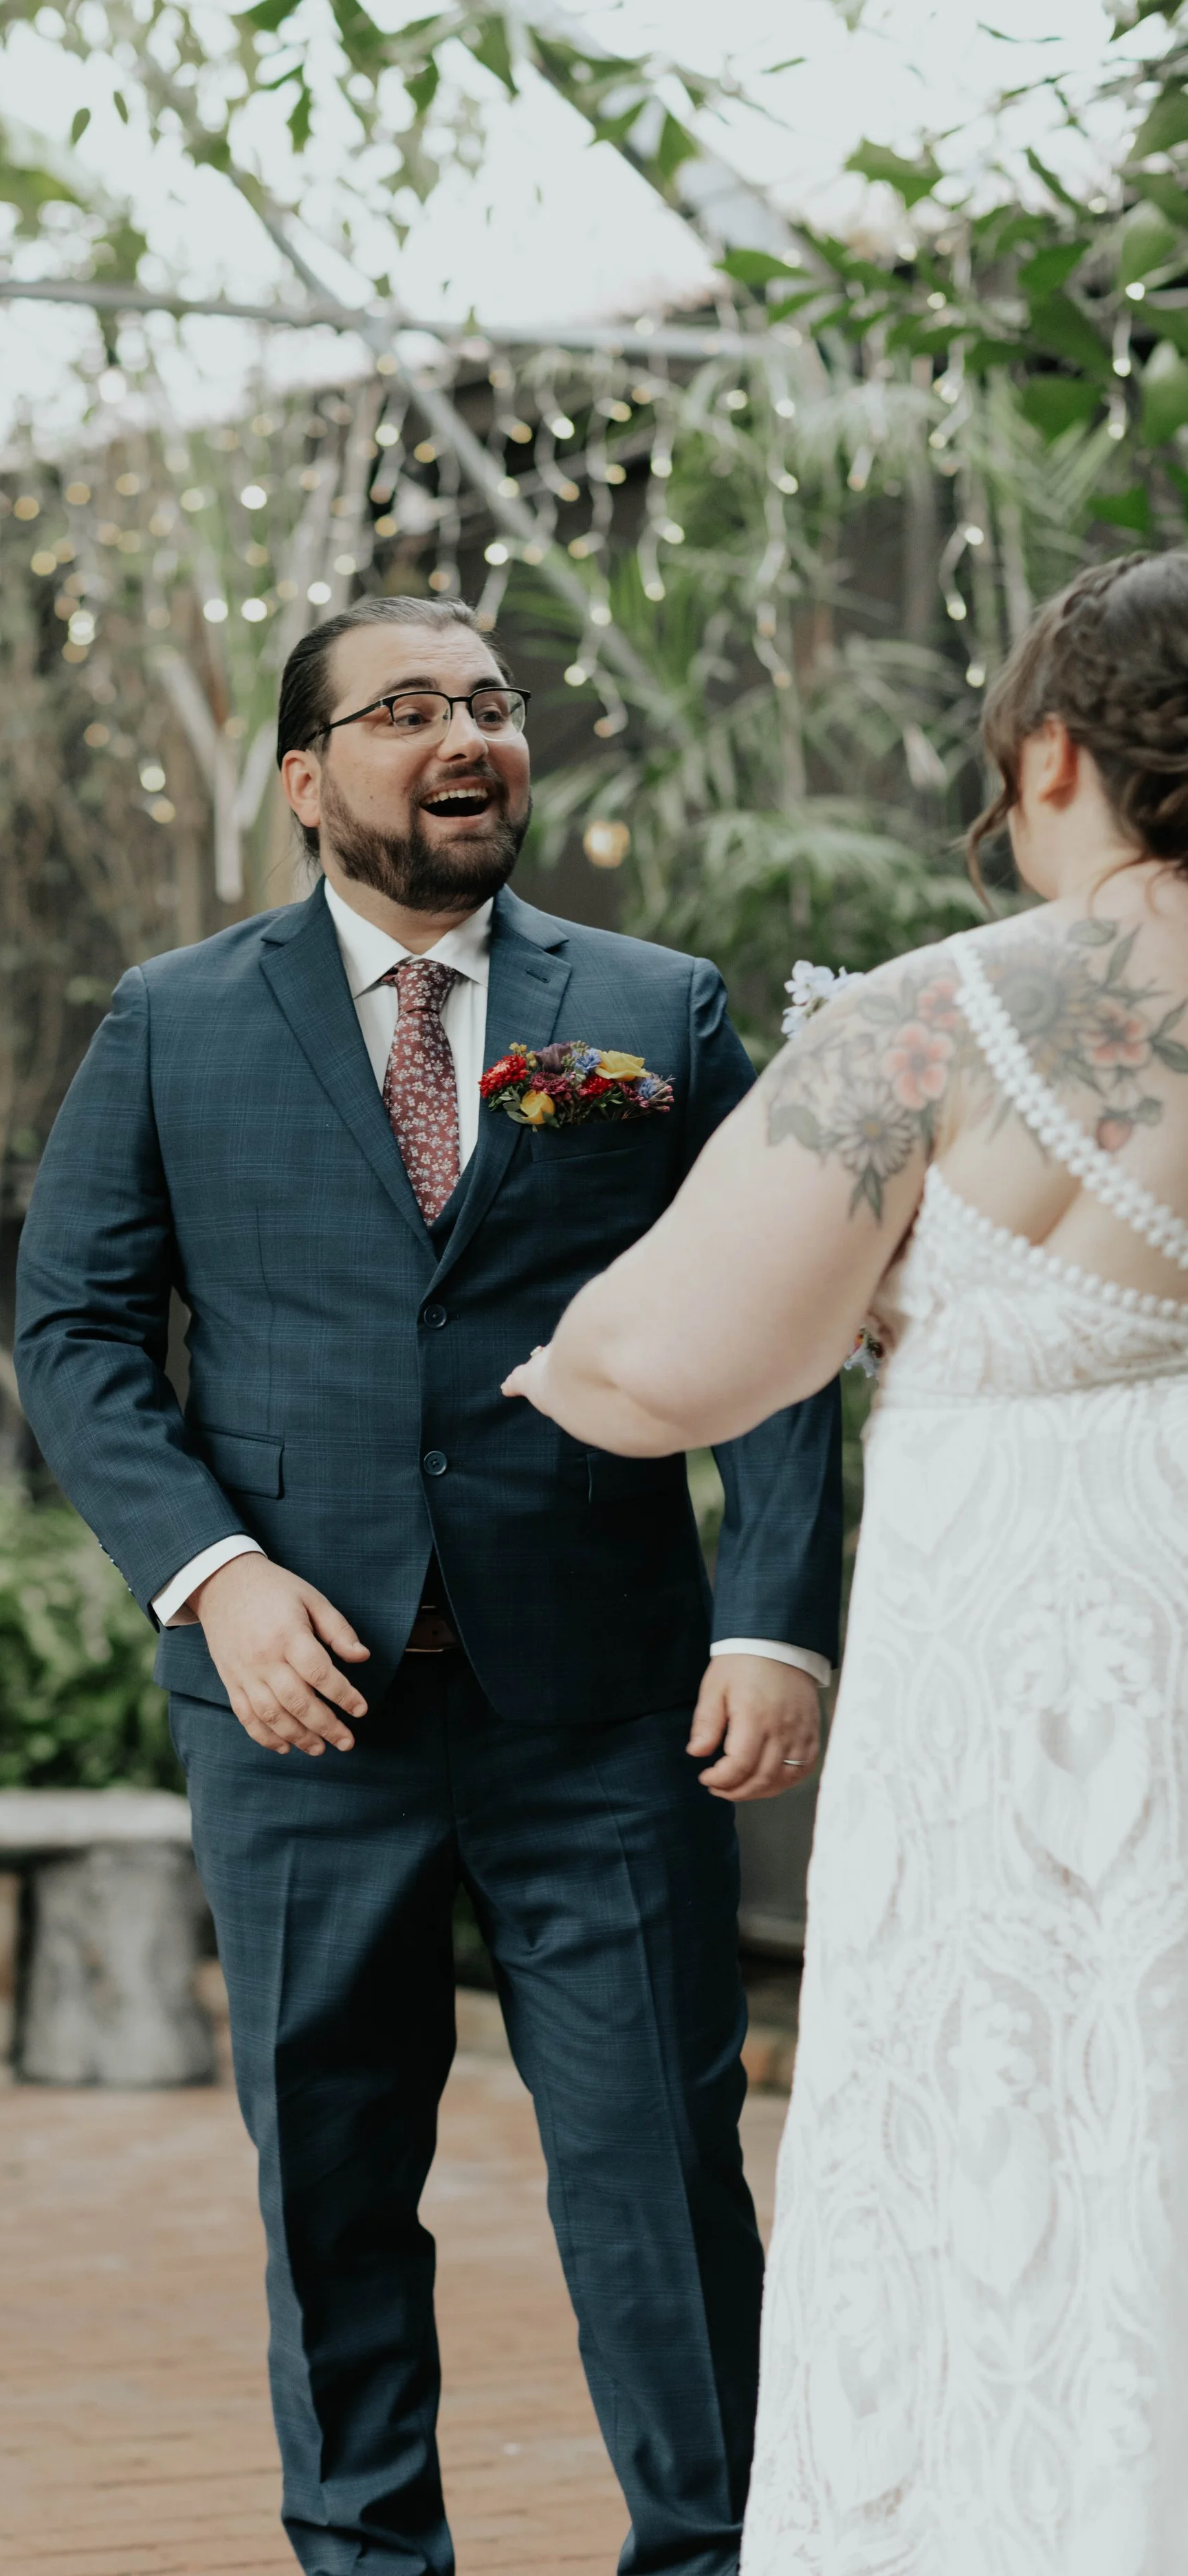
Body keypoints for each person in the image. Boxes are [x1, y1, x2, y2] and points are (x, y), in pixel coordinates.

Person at [14, 591, 842, 2576]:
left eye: (489, 702)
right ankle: (369, 2558)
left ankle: (714, 2548)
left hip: (605, 1703)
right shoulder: (172, 1020)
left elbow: (786, 1321)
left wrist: (769, 1614)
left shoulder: (652, 1011)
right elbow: (76, 1330)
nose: (465, 735)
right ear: (305, 781)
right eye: (403, 710)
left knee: (657, 2163)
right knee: (330, 2168)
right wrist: (213, 1579)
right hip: (302, 1714)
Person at [505, 551, 1188, 2575]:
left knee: (1010, 2113)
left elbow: (670, 1360)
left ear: (1052, 748)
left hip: (1018, 1679)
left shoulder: (936, 1020)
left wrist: (546, 1348)